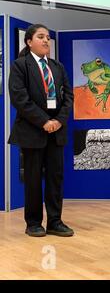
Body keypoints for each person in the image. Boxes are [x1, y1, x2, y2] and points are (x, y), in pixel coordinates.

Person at [8, 24, 74, 237]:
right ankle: (33, 223)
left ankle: (55, 221)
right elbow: (20, 99)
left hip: (57, 131)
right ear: (29, 42)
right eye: (40, 37)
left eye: (48, 37)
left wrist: (58, 121)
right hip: (32, 131)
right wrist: (44, 121)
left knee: (56, 178)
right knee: (33, 179)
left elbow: (69, 97)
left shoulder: (58, 67)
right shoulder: (20, 66)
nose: (46, 40)